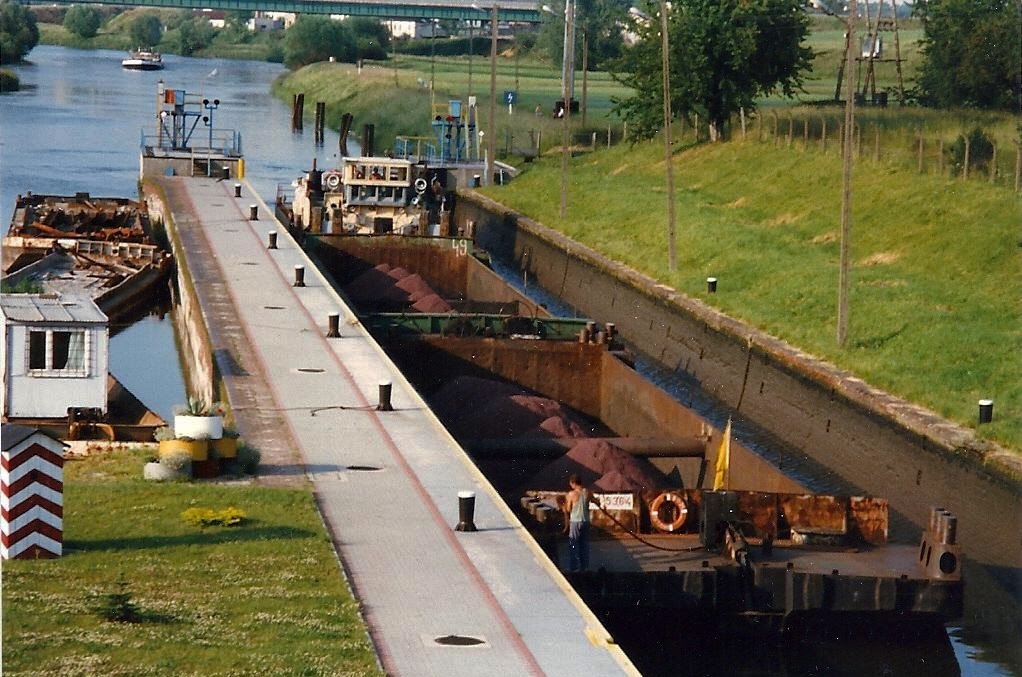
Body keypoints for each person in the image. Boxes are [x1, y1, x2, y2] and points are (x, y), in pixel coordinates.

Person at [564, 473, 591, 572]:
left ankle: (574, 567)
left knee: (574, 544)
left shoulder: (571, 494)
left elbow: (568, 509)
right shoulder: (587, 492)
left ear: (573, 483)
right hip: (586, 521)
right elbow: (595, 501)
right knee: (584, 545)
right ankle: (585, 567)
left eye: (571, 484)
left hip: (575, 522)